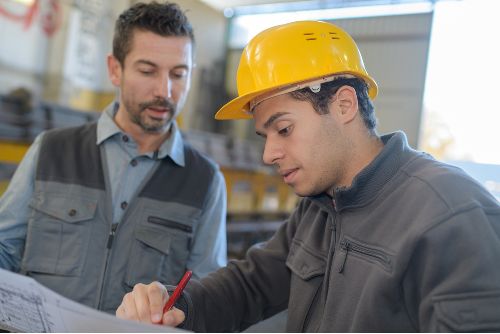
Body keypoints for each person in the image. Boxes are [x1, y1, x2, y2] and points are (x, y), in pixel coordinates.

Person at [116, 20, 500, 331]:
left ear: (344, 104)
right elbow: (248, 286)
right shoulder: (320, 208)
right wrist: (173, 304)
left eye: (283, 129)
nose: (269, 154)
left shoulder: (451, 215)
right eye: (265, 136)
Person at [0, 1, 227, 313]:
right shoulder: (51, 151)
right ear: (114, 69)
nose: (165, 90)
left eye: (178, 74)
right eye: (147, 71)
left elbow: (206, 294)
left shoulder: (205, 181)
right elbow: (4, 248)